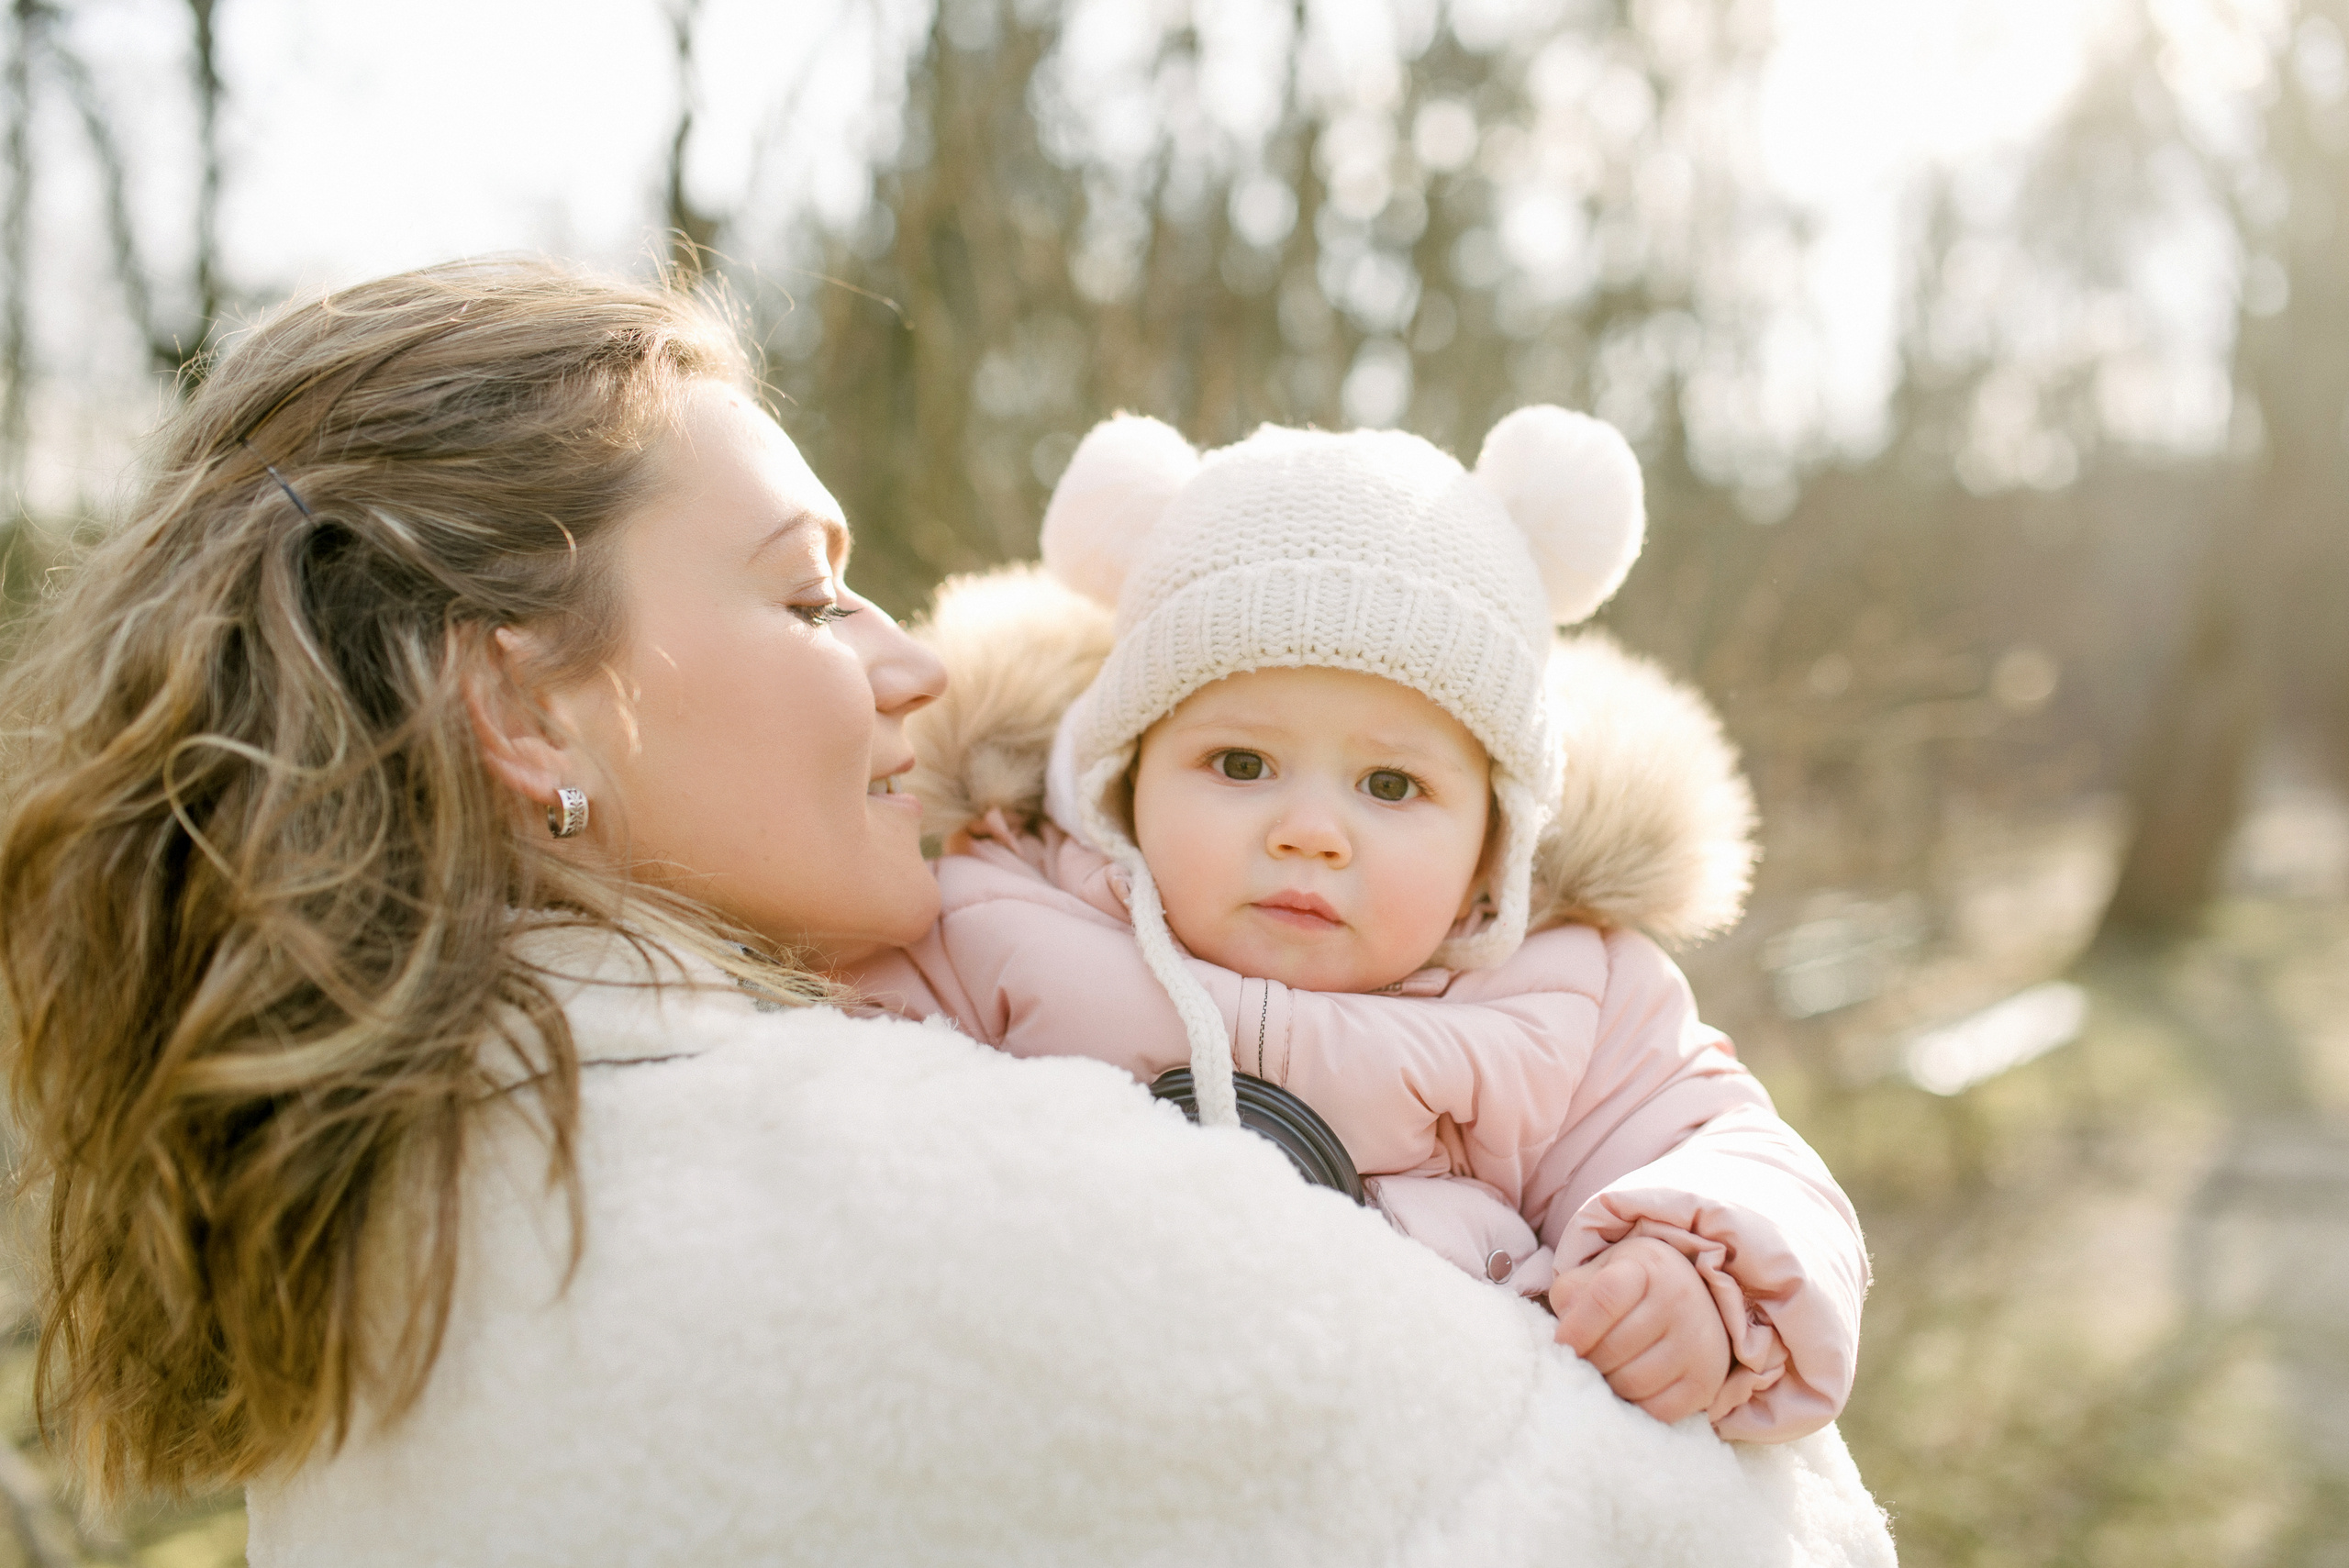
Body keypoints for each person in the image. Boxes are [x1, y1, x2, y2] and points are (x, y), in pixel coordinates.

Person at [0, 259, 1893, 1566]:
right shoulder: (878, 1190)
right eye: (808, 594)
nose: (910, 653)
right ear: (519, 703)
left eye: (1395, 783)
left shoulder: (411, 1171)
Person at [849, 411, 1867, 1439]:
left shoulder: (1568, 1000)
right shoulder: (995, 920)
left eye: (1390, 782)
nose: (1310, 833)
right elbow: (826, 1091)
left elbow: (1723, 1146)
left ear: (1493, 833)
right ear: (1123, 775)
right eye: (1240, 764)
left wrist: (1692, 1272)